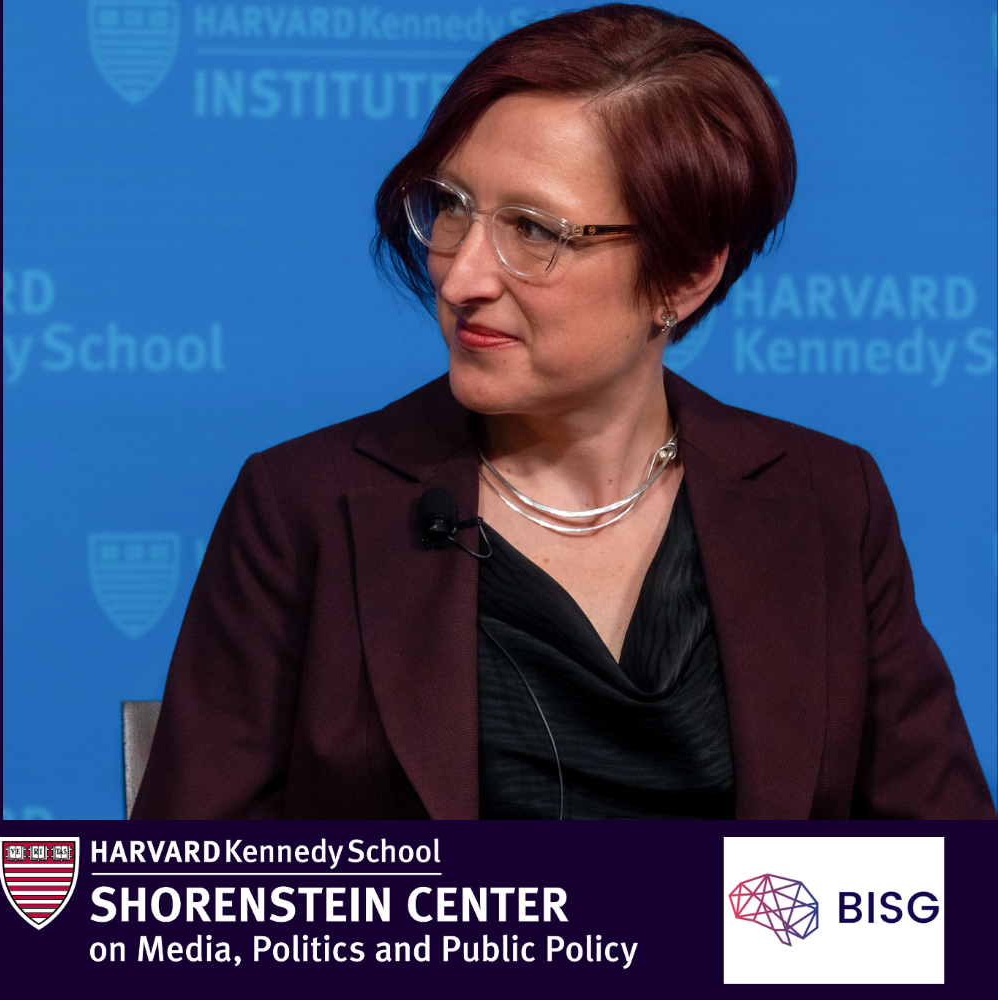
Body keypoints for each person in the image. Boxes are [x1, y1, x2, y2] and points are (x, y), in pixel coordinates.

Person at [132, 5, 993, 820]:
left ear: (685, 274)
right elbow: (187, 894)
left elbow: (950, 885)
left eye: (534, 230)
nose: (462, 276)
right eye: (452, 208)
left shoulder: (827, 498)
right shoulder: (304, 505)